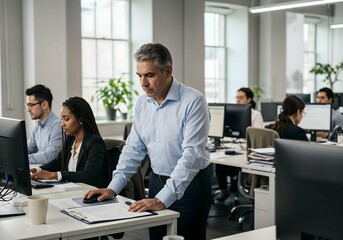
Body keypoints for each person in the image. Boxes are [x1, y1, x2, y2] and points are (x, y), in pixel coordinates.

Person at [84, 43, 211, 240]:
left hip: (190, 185)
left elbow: (192, 156)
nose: (143, 83)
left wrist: (163, 198)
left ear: (168, 71)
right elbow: (133, 149)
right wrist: (113, 187)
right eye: (139, 76)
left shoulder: (193, 102)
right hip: (157, 182)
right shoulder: (143, 103)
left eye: (149, 75)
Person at [30, 97, 109, 188]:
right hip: (74, 191)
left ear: (80, 119)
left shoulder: (95, 143)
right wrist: (37, 169)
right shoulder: (71, 140)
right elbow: (57, 162)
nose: (62, 124)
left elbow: (88, 176)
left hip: (92, 194)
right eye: (61, 119)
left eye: (66, 119)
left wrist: (54, 175)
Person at [214, 87, 265, 202]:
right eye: (236, 97)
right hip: (232, 146)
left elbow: (257, 134)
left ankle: (234, 191)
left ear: (249, 99)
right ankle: (224, 190)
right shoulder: (234, 112)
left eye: (241, 97)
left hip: (246, 148)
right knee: (219, 164)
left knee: (233, 165)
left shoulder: (255, 114)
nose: (237, 100)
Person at [26, 84, 62, 164]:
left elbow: (49, 156)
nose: (28, 110)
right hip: (40, 170)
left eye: (31, 105)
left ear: (44, 105)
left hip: (51, 173)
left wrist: (23, 159)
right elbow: (28, 149)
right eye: (27, 105)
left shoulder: (57, 125)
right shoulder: (37, 126)